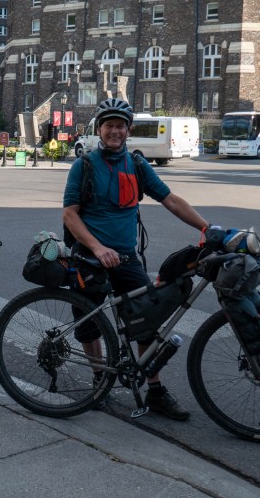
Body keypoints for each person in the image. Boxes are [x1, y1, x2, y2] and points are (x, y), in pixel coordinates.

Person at [62, 98, 211, 421]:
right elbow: (70, 215)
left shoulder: (137, 165)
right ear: (99, 129)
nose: (115, 131)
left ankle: (155, 391)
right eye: (109, 126)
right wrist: (97, 248)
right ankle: (99, 382)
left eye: (120, 126)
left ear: (128, 130)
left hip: (126, 258)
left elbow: (170, 200)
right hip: (90, 257)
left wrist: (207, 228)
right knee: (89, 324)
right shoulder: (84, 166)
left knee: (147, 321)